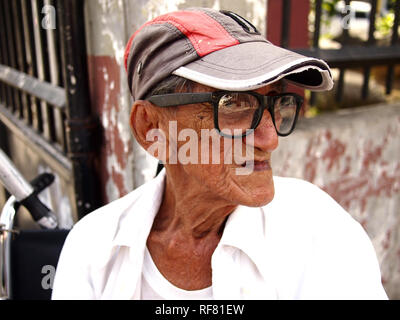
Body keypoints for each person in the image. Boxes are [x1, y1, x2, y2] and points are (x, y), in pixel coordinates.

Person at [52, 7, 388, 300]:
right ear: (151, 128)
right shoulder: (93, 249)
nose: (270, 139)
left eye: (275, 101)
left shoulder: (319, 232)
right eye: (234, 103)